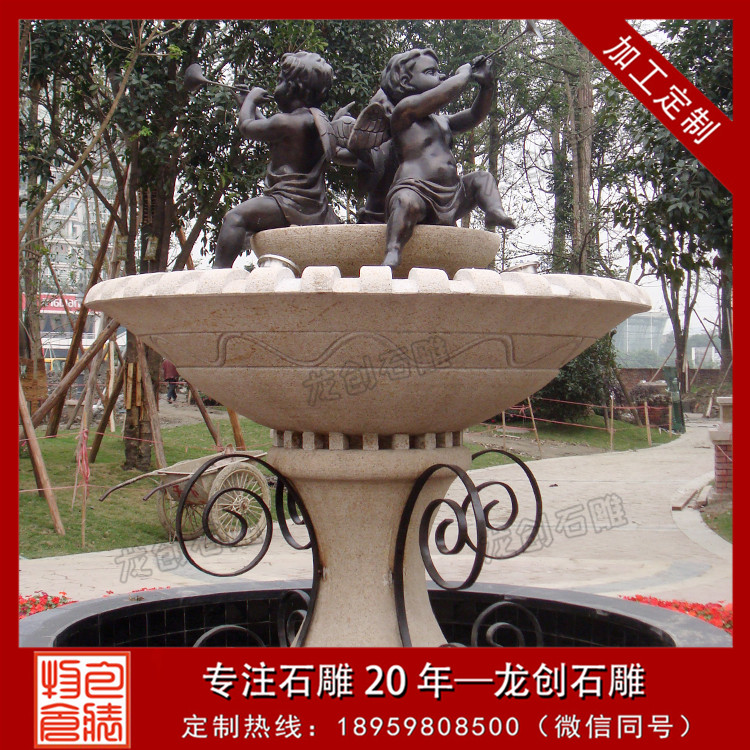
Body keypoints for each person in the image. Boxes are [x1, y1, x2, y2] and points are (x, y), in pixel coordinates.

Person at [378, 48, 516, 268]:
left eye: (438, 71)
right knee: (405, 202)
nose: (440, 76)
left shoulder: (443, 121)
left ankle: (494, 211)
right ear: (405, 81)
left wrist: (486, 87)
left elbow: (475, 115)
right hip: (416, 189)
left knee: (482, 178)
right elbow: (444, 94)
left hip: (453, 193)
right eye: (431, 72)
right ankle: (393, 249)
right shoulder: (404, 112)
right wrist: (463, 75)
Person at [213, 51, 340, 269]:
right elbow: (273, 133)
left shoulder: (286, 123)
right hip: (310, 204)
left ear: (293, 87)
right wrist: (248, 106)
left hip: (287, 202)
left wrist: (250, 100)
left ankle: (218, 275)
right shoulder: (313, 120)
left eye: (280, 81)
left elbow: (246, 127)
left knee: (235, 218)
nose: (276, 87)